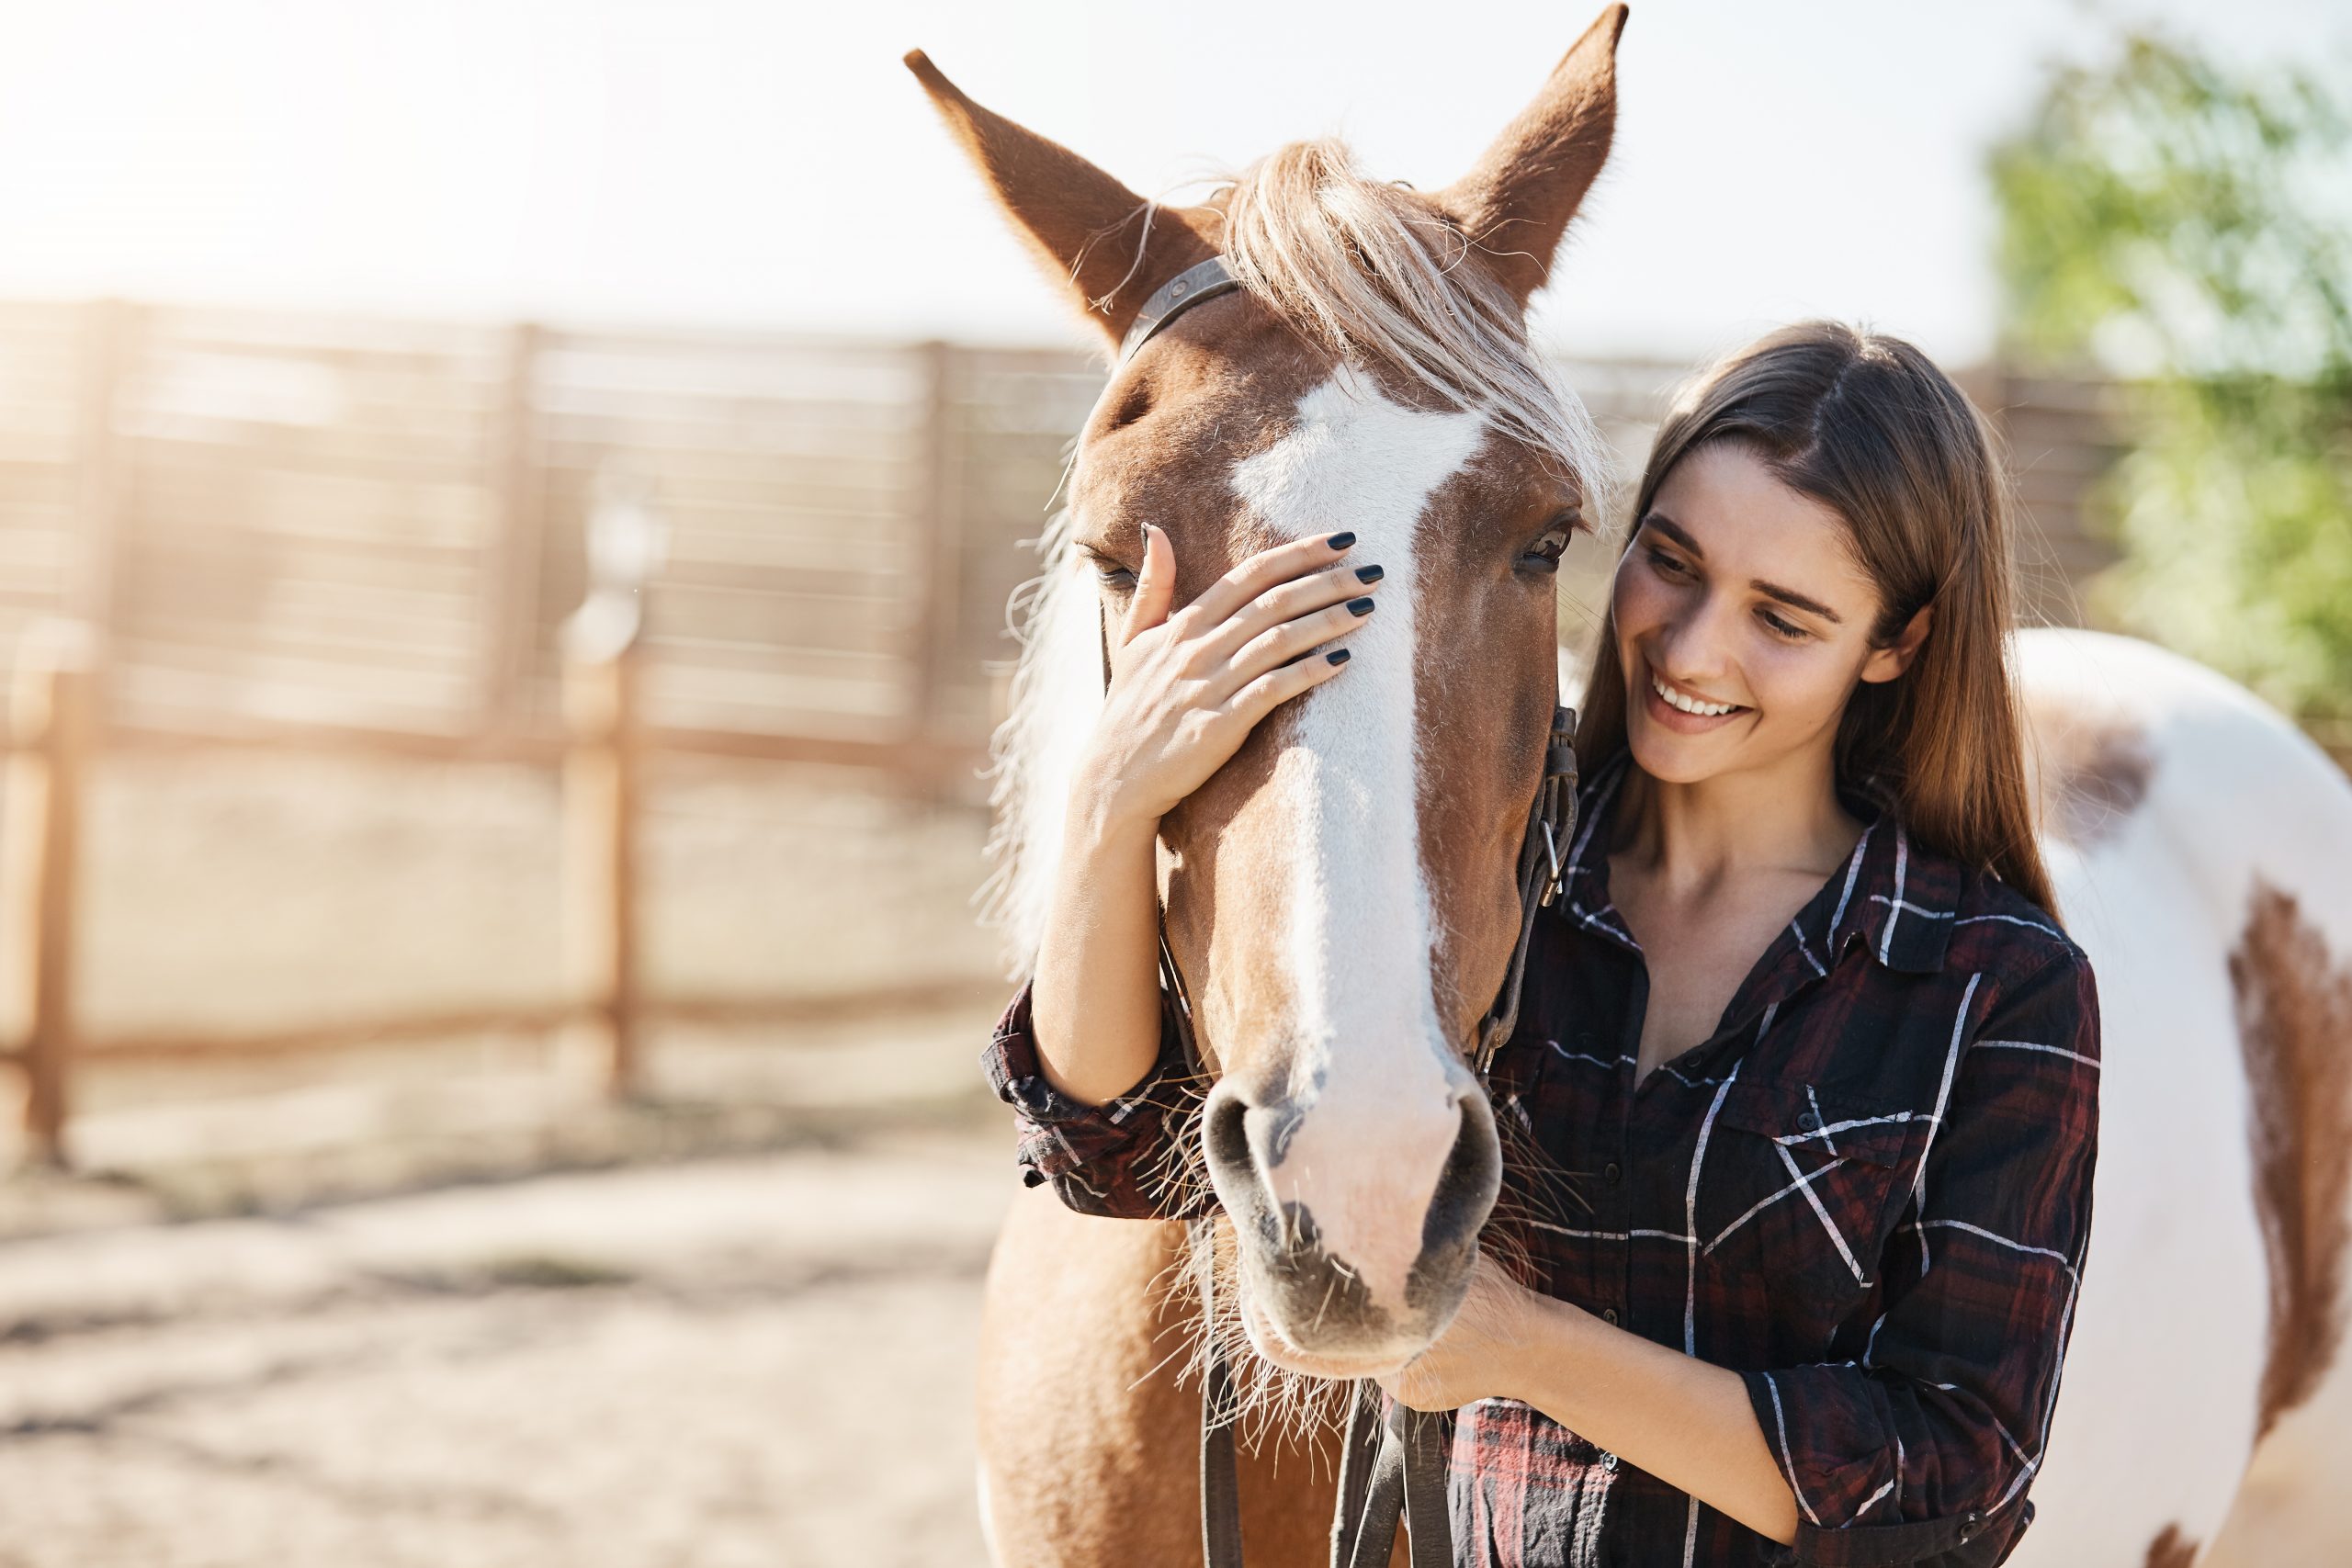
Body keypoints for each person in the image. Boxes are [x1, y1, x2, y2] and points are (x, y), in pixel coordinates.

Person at [982, 321, 2101, 1567]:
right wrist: (1107, 807)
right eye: (1671, 563)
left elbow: (1954, 1482)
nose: (1689, 651)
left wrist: (1522, 1347)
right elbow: (1114, 1157)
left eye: (1782, 617)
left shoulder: (1993, 987)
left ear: (1896, 643)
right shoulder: (1492, 873)